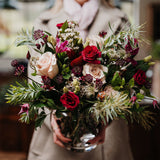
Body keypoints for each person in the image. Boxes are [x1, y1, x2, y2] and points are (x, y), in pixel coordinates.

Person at [27, 0, 134, 159]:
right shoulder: (43, 22)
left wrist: (105, 118)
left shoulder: (120, 21)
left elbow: (127, 83)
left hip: (108, 146)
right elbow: (35, 83)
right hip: (52, 147)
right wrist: (53, 118)